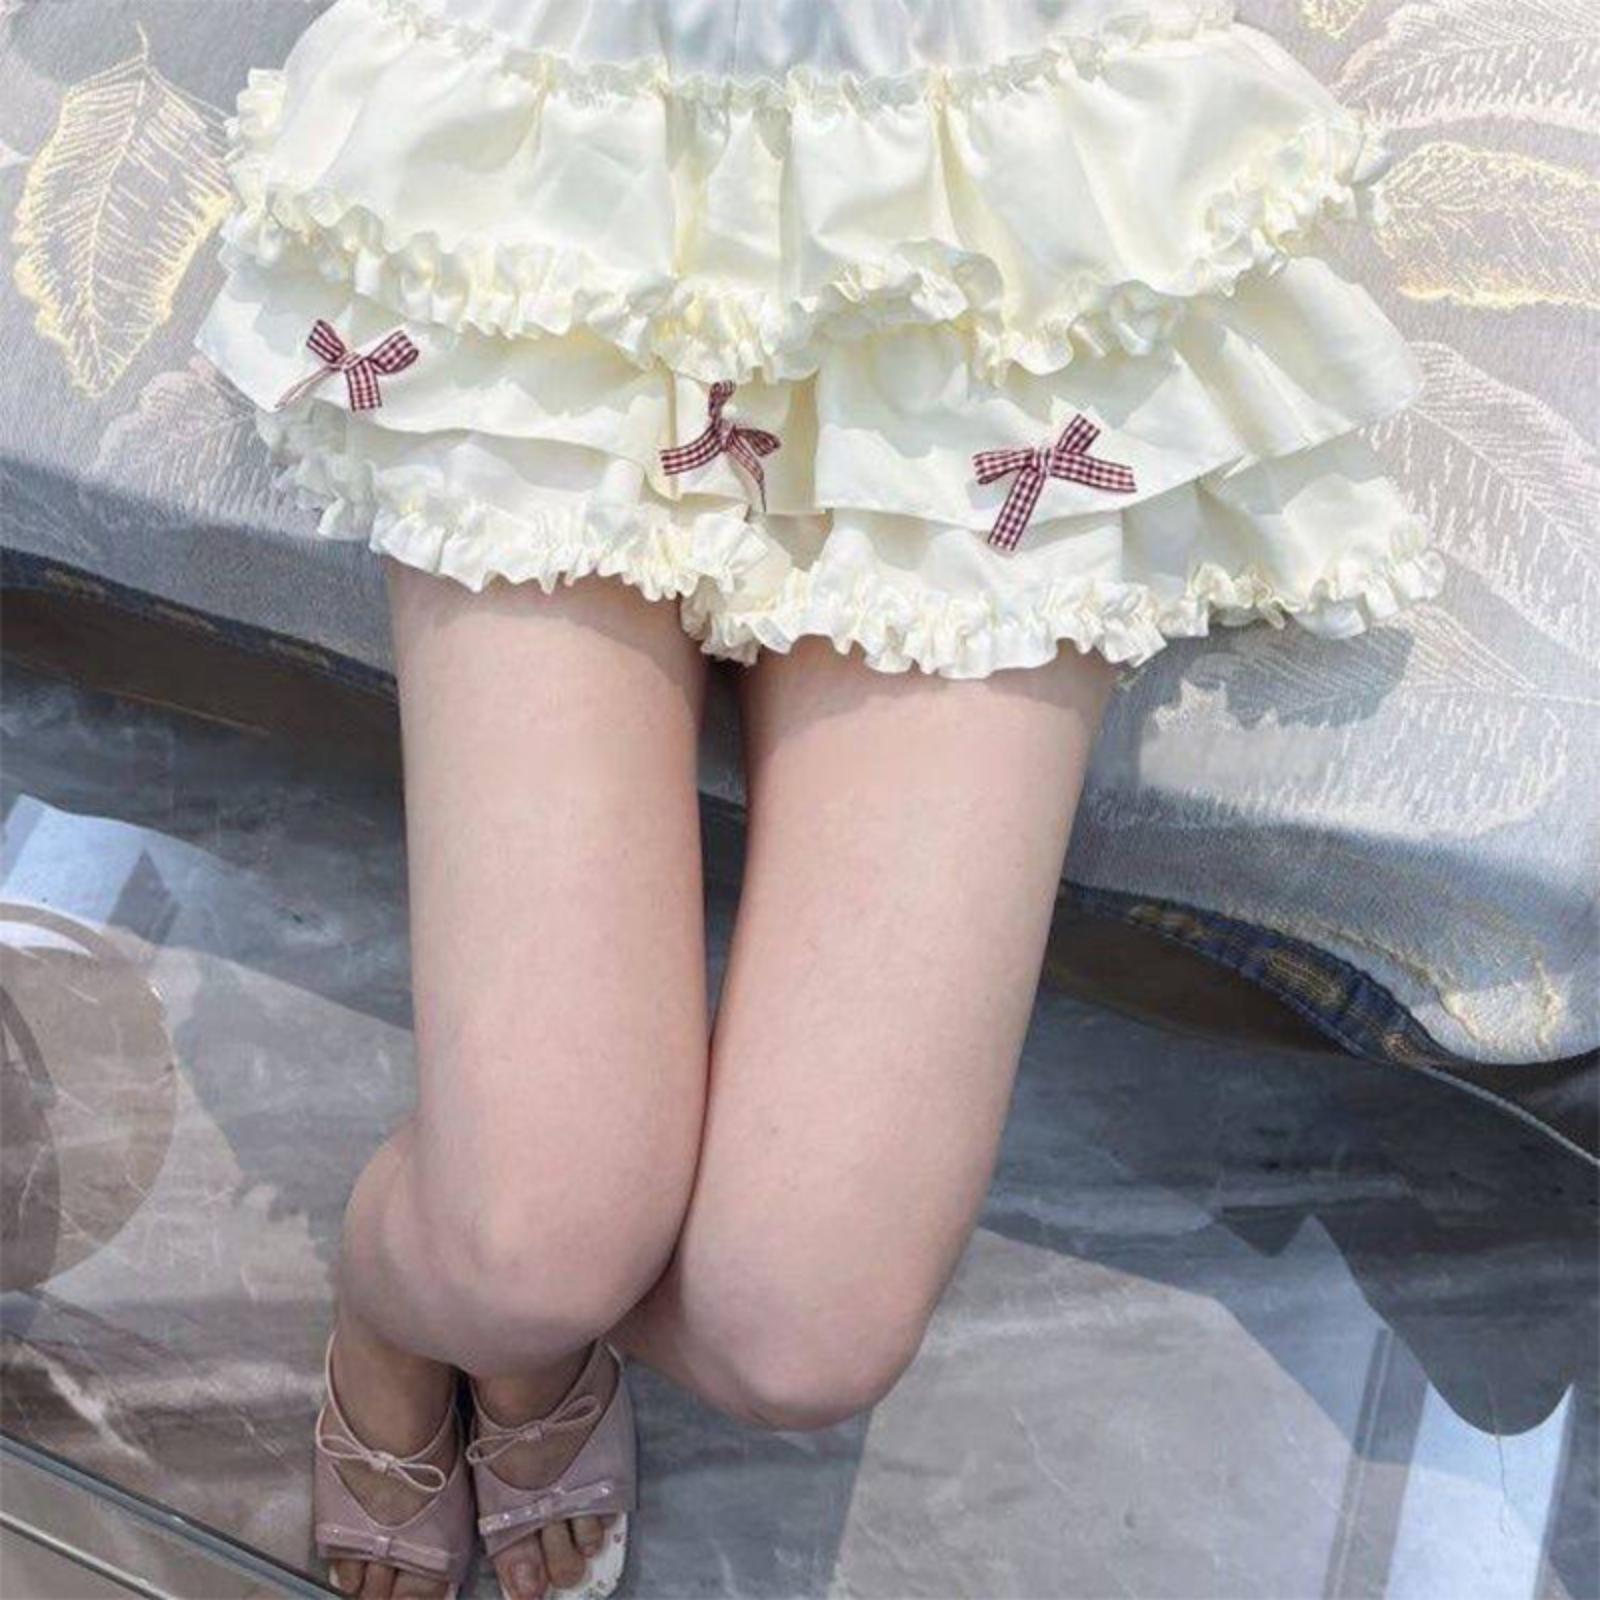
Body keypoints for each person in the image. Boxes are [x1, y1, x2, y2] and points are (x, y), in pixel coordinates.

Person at [194, 0, 1446, 1594]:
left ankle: (489, 1296)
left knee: (799, 1329)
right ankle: (414, 1309)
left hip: (995, 194)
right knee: (528, 1249)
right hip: (558, 143)